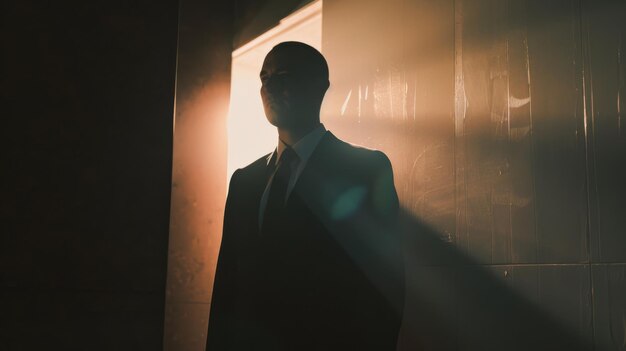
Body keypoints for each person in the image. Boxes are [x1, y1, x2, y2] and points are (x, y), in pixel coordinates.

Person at [206, 41, 404, 351]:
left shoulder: (364, 169)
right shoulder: (245, 181)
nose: (269, 87)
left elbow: (384, 283)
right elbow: (227, 288)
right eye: (264, 78)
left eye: (283, 75)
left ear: (318, 87)